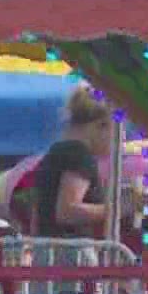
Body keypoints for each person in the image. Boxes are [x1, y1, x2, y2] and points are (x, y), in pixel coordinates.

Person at [23, 85, 116, 239]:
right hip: (71, 250)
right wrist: (114, 210)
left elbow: (37, 212)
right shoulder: (79, 155)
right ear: (100, 125)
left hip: (47, 246)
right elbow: (67, 211)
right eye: (115, 130)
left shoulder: (56, 151)